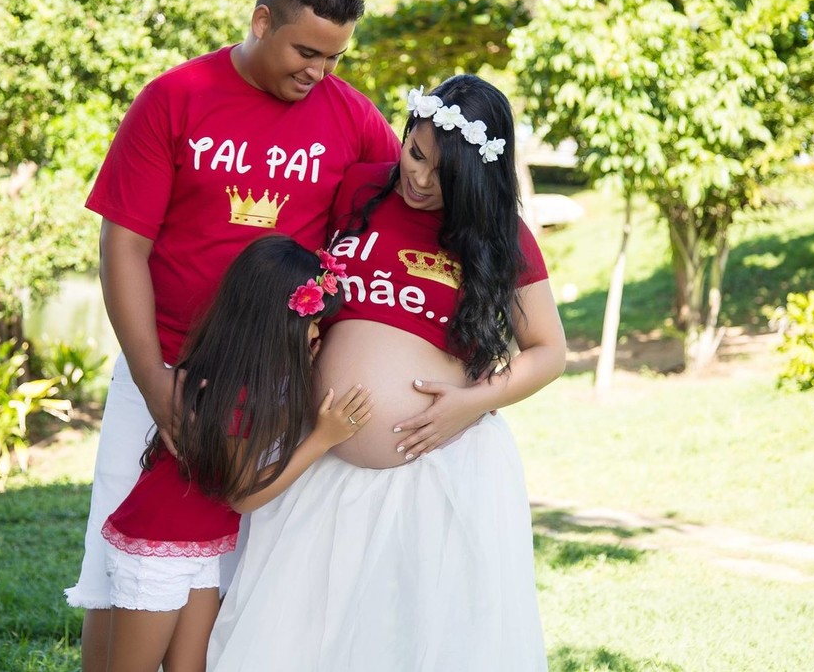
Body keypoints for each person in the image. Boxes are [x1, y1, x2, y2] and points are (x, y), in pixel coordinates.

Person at [65, 0, 399, 670]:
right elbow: (123, 248)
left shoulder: (353, 118)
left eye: (335, 57)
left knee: (230, 583)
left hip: (271, 394)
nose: (319, 72)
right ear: (261, 21)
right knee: (118, 570)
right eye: (306, 51)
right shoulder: (175, 98)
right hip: (164, 370)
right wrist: (155, 384)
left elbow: (403, 211)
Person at [208, 75, 568, 671]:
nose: (420, 179)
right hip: (319, 461)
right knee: (296, 642)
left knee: (417, 643)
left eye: (443, 175)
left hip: (438, 470)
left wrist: (471, 401)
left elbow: (549, 351)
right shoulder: (359, 189)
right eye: (416, 154)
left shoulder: (501, 236)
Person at [100, 235, 372, 672]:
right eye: (313, 322)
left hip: (199, 547)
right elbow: (243, 496)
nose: (317, 332)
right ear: (278, 322)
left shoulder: (253, 376)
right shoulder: (237, 392)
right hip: (156, 549)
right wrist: (323, 439)